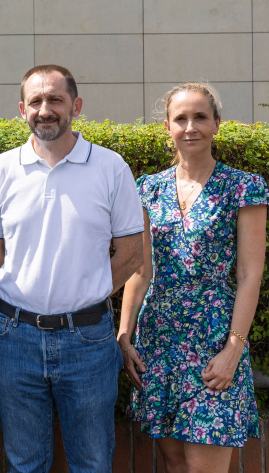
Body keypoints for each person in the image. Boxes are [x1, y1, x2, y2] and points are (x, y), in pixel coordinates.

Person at [0, 64, 144, 472]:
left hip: (89, 339)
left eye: (55, 99)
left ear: (76, 105)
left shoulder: (110, 168)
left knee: (92, 462)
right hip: (14, 337)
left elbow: (131, 252)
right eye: (35, 101)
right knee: (25, 463)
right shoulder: (2, 169)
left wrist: (86, 292)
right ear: (22, 109)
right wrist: (29, 289)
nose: (45, 109)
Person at [119, 83, 266, 472]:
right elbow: (140, 270)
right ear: (167, 126)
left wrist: (235, 347)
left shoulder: (243, 187)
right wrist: (125, 337)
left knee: (205, 466)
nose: (190, 127)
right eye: (180, 118)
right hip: (159, 340)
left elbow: (250, 275)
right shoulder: (148, 189)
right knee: (175, 463)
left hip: (214, 339)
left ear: (218, 124)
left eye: (200, 117)